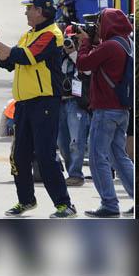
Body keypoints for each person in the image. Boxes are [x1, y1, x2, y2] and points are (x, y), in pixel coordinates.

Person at [0, 0, 77, 218]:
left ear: (40, 11)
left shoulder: (52, 34)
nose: (25, 12)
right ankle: (26, 200)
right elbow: (10, 63)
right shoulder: (28, 35)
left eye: (29, 8)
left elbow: (27, 56)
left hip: (44, 103)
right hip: (24, 104)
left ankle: (65, 205)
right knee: (19, 156)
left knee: (45, 155)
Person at [76, 8, 135, 218]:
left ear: (108, 24)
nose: (98, 27)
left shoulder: (109, 46)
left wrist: (85, 42)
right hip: (121, 110)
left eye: (100, 23)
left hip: (105, 111)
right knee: (119, 157)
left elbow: (83, 63)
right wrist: (92, 42)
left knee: (97, 157)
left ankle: (109, 204)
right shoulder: (125, 43)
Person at [57, 25, 91, 186]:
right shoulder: (59, 54)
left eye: (74, 39)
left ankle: (76, 174)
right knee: (62, 142)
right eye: (67, 39)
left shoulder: (85, 53)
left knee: (76, 141)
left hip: (76, 102)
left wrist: (74, 53)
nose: (70, 42)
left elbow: (88, 70)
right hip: (59, 101)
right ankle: (71, 171)